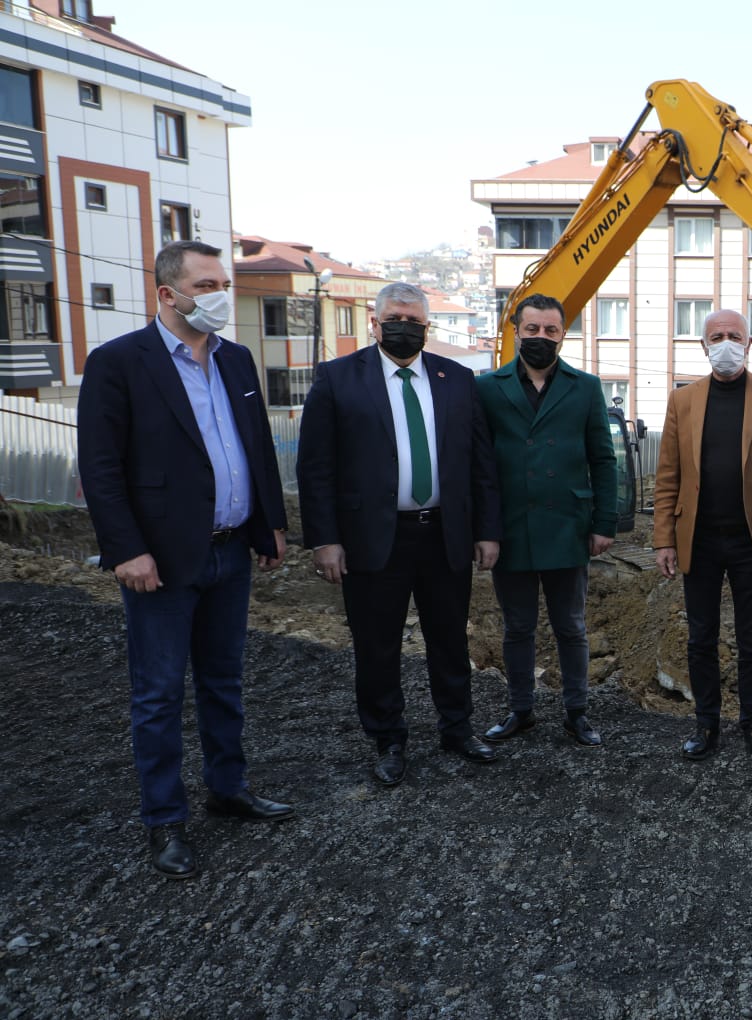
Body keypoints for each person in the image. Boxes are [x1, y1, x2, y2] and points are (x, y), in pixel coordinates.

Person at [78, 240, 292, 880]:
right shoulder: (119, 363)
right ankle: (165, 819)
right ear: (167, 295)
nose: (218, 294)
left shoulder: (237, 359)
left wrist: (270, 524)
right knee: (159, 693)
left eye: (221, 282)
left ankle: (228, 789)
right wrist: (128, 550)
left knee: (224, 682)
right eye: (204, 285)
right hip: (162, 563)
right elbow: (101, 468)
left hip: (230, 552)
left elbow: (256, 445)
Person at [298, 282, 502, 786]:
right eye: (395, 318)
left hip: (444, 535)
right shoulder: (338, 377)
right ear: (375, 320)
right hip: (372, 538)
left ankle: (457, 729)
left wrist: (487, 531)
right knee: (377, 645)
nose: (404, 327)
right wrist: (325, 539)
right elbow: (315, 466)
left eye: (414, 320)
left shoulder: (456, 379)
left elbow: (480, 463)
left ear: (427, 327)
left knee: (450, 640)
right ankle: (388, 738)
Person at [653, 308, 752, 764]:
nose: (725, 343)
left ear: (749, 342)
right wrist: (663, 539)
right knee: (701, 637)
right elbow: (667, 477)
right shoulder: (684, 401)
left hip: (751, 542)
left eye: (733, 335)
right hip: (697, 539)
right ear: (702, 345)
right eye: (715, 336)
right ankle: (706, 723)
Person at [476, 294, 617, 748]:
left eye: (550, 331)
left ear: (562, 334)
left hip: (568, 525)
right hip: (511, 529)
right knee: (517, 626)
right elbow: (478, 465)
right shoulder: (487, 387)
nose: (541, 337)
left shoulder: (585, 386)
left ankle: (577, 713)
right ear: (517, 331)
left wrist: (604, 523)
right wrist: (485, 531)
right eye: (532, 329)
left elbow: (603, 458)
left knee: (571, 626)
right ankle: (521, 710)